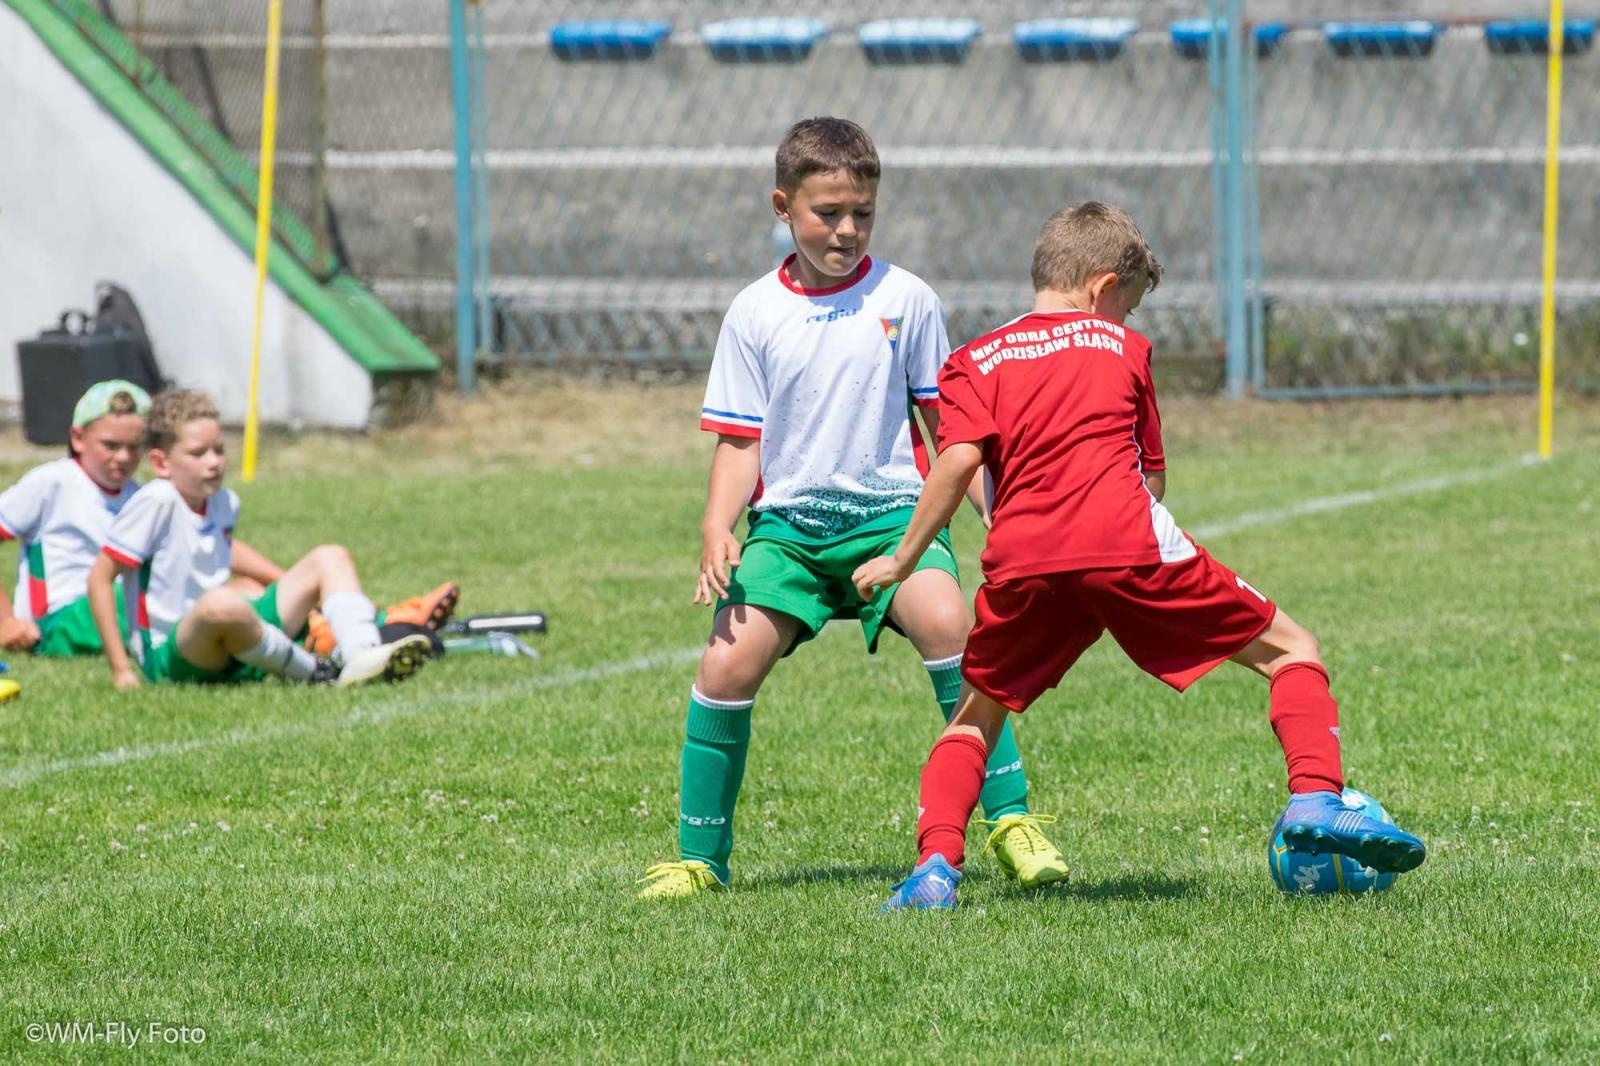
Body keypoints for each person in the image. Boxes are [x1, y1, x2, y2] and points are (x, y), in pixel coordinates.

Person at [854, 201, 1427, 911]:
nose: (1124, 322)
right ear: (1100, 291)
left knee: (974, 719)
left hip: (1024, 559)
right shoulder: (1123, 350)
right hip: (1128, 545)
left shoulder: (972, 361)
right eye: (1125, 306)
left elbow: (958, 457)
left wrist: (906, 558)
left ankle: (935, 870)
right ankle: (1314, 799)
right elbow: (1151, 478)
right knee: (1292, 650)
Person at [637, 117, 1065, 900]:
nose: (846, 229)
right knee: (725, 662)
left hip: (892, 520)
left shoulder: (906, 299)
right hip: (790, 534)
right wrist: (715, 526)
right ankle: (700, 860)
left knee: (950, 623)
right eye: (826, 213)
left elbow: (953, 431)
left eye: (862, 212)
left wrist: (998, 516)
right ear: (782, 206)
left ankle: (1010, 821)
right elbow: (740, 441)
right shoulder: (754, 313)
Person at [0, 380, 457, 659]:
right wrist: (7, 623)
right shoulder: (52, 482)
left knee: (244, 593)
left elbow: (215, 549)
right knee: (204, 598)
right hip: (62, 618)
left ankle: (359, 620)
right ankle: (344, 630)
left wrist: (290, 581)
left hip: (129, 602)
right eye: (110, 446)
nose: (123, 457)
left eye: (132, 448)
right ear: (78, 438)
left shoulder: (141, 495)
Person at [85, 389, 432, 689]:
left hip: (232, 632)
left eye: (219, 450)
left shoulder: (223, 501)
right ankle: (315, 672)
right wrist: (120, 669)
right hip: (173, 654)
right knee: (222, 603)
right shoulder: (156, 500)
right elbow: (100, 578)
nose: (214, 462)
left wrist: (291, 588)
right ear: (161, 463)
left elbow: (217, 552)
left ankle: (363, 656)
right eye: (198, 453)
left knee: (330, 556)